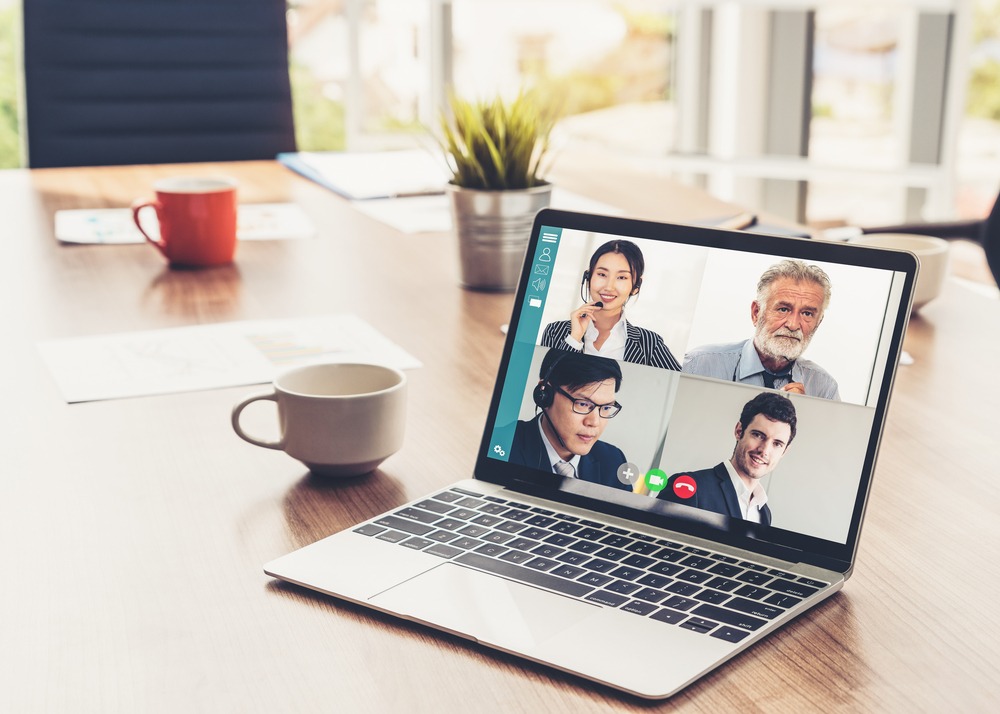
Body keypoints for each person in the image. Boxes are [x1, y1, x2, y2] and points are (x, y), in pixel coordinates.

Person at [683, 259, 839, 399]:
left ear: (817, 324)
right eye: (783, 309)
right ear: (756, 313)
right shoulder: (698, 365)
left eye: (807, 313)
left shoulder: (824, 389)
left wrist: (806, 415)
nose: (793, 325)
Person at [656, 392, 797, 525]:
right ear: (739, 431)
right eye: (758, 435)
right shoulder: (689, 488)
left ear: (784, 451)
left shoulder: (764, 513)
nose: (764, 450)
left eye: (777, 444)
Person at [541, 239, 680, 369]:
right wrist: (574, 338)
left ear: (636, 286)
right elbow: (545, 379)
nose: (609, 286)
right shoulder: (555, 331)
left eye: (621, 277)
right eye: (602, 274)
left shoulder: (650, 343)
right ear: (588, 278)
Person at [509, 350, 631, 491]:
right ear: (544, 394)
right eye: (583, 404)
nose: (594, 422)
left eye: (606, 407)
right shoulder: (504, 444)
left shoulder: (614, 461)